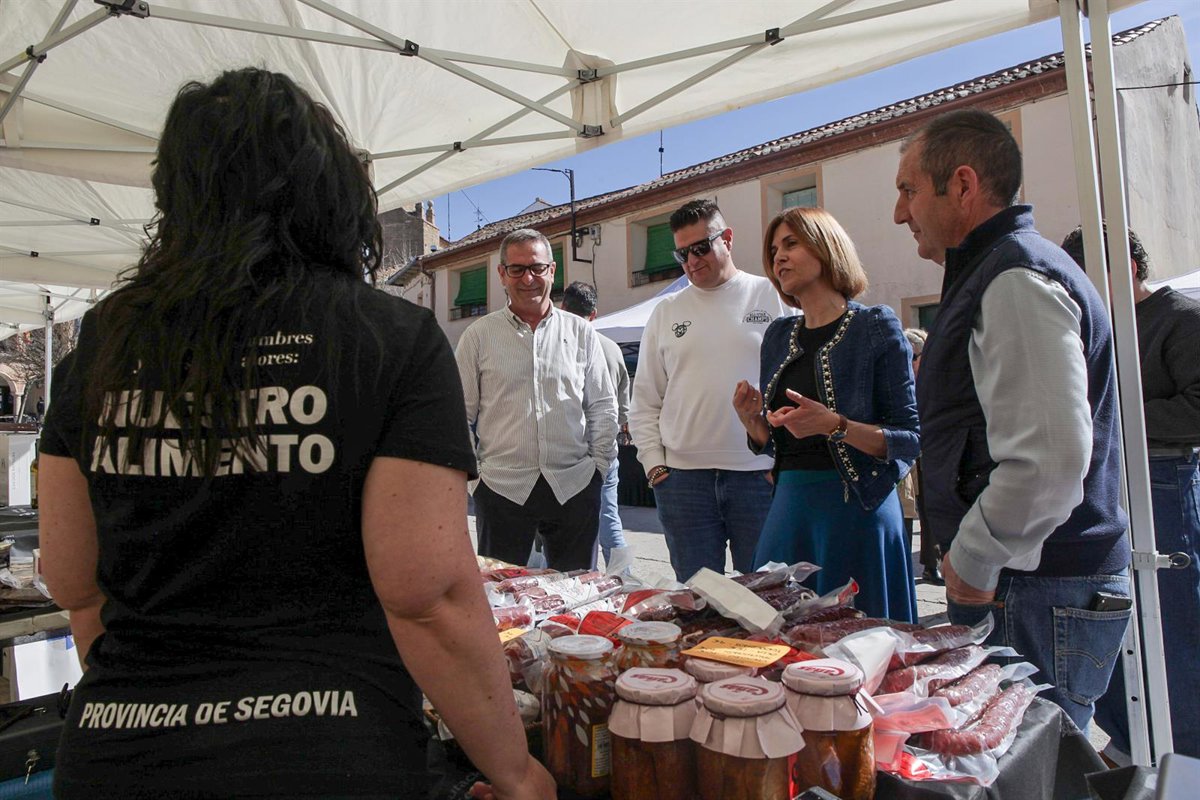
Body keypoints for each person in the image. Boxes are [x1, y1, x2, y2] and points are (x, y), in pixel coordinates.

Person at [37, 69, 554, 800]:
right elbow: (428, 596)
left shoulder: (102, 342)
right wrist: (515, 771)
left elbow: (74, 584)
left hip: (119, 751)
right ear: (331, 190)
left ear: (176, 194)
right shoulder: (391, 338)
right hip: (330, 750)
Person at [893, 107, 1130, 730]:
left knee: (1030, 762)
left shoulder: (1015, 276)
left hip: (1031, 584)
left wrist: (974, 559)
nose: (898, 212)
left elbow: (1050, 459)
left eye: (909, 190)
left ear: (963, 186)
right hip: (1029, 581)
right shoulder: (1001, 269)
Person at [732, 207, 919, 621]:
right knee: (775, 633)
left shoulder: (875, 326)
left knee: (858, 642)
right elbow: (781, 447)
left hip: (856, 510)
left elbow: (909, 439)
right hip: (790, 507)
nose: (779, 257)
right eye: (773, 250)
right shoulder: (778, 335)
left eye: (791, 244)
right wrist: (754, 424)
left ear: (826, 247)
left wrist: (836, 426)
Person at [1061, 226, 1200, 761]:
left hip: (1165, 488)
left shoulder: (1182, 319)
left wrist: (1112, 418)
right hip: (1109, 487)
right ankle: (1128, 742)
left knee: (1175, 629)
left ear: (1128, 268)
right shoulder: (1097, 327)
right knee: (1115, 624)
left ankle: (1184, 754)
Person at [629, 199, 790, 582]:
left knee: (768, 598)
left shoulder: (773, 296)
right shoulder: (666, 311)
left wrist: (782, 461)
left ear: (727, 239)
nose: (691, 261)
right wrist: (654, 465)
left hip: (759, 477)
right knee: (698, 601)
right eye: (681, 253)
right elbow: (646, 399)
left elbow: (796, 387)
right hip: (683, 482)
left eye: (701, 248)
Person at [456, 230, 617, 572]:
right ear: (502, 274)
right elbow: (457, 415)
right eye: (517, 269)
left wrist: (598, 471)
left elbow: (602, 406)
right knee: (502, 597)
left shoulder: (581, 333)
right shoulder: (478, 337)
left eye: (537, 268)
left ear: (552, 271)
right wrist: (476, 482)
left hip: (573, 486)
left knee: (577, 595)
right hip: (501, 489)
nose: (528, 278)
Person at [561, 280, 632, 572]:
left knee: (558, 527)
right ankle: (624, 582)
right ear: (594, 314)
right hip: (606, 449)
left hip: (566, 451)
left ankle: (566, 586)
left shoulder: (555, 345)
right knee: (609, 520)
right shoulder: (612, 348)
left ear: (562, 308)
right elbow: (623, 408)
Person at [900, 327, 942, 585]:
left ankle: (931, 564)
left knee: (930, 509)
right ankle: (903, 565)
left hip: (928, 451)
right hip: (905, 454)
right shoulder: (898, 377)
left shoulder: (931, 381)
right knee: (905, 508)